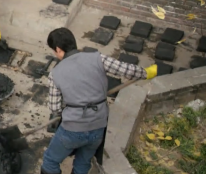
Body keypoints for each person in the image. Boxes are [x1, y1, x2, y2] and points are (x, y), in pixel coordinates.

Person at [40, 28, 158, 174]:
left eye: (54, 50)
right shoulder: (97, 58)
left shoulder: (55, 73)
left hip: (72, 130)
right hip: (98, 127)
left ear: (58, 49)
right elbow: (126, 70)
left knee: (50, 161)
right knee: (83, 163)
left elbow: (55, 108)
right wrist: (147, 72)